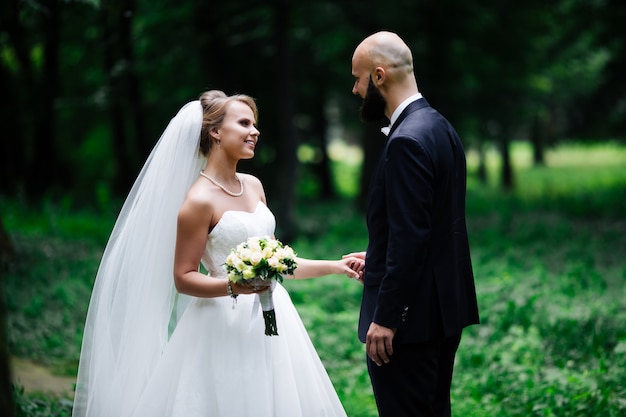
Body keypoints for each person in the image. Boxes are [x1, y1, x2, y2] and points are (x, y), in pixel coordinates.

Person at [72, 90, 363, 417]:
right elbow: (183, 278)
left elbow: (279, 262)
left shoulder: (253, 186)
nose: (255, 131)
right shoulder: (198, 201)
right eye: (244, 123)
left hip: (274, 317)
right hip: (220, 323)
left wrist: (338, 266)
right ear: (215, 132)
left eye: (255, 124)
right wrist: (233, 287)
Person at [345, 31, 480, 417]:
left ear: (379, 76)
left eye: (358, 78)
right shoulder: (440, 127)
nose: (355, 89)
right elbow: (433, 226)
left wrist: (387, 317)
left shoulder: (406, 140)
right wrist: (379, 255)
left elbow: (411, 237)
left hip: (408, 326)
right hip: (440, 314)